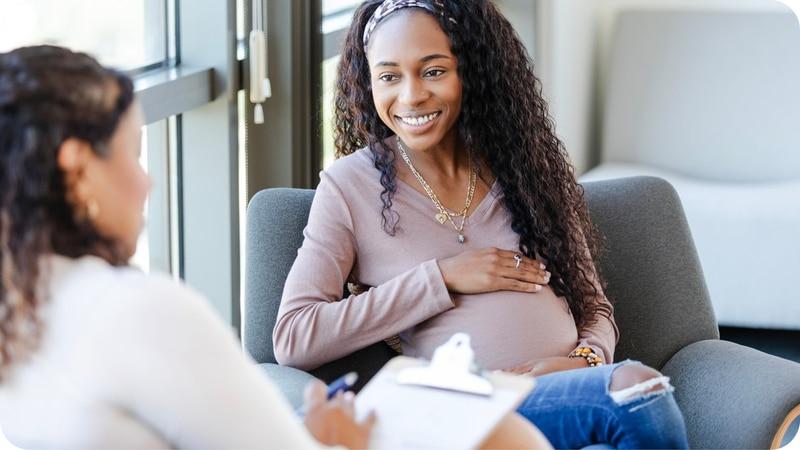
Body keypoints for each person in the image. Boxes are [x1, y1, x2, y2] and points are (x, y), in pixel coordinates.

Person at [273, 1, 690, 448]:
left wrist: (585, 360)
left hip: (565, 395)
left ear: (469, 69)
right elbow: (295, 335)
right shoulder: (348, 188)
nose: (411, 96)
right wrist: (441, 278)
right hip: (464, 409)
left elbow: (595, 307)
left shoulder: (524, 168)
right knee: (637, 391)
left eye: (433, 71)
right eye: (389, 76)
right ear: (367, 82)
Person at [0, 45, 375, 449]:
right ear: (79, 168)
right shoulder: (137, 312)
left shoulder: (17, 308)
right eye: (132, 155)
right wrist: (333, 441)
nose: (147, 183)